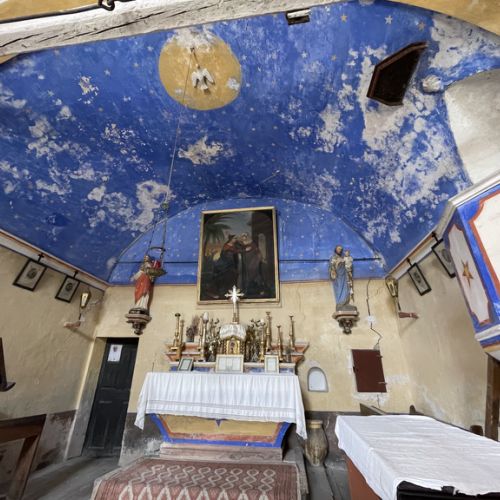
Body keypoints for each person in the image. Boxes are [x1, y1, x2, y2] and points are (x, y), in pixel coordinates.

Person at [329, 245, 352, 309]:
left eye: (341, 249)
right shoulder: (333, 257)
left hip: (344, 276)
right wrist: (336, 265)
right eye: (338, 249)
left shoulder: (343, 257)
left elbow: (348, 265)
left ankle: (345, 303)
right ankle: (340, 303)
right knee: (339, 288)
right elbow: (332, 267)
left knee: (346, 288)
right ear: (335, 250)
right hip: (338, 277)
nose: (340, 250)